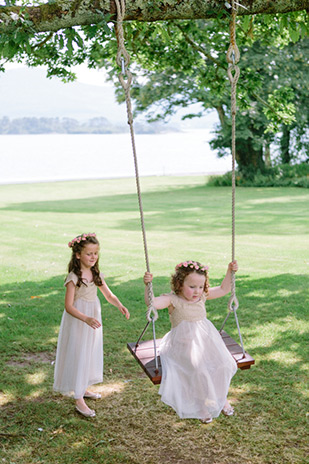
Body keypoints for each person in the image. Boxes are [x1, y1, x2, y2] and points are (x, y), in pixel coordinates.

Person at [143, 260, 238, 423]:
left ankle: (221, 398)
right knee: (199, 369)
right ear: (179, 284)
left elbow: (224, 289)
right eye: (192, 287)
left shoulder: (202, 297)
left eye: (200, 287)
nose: (197, 291)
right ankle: (200, 404)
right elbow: (152, 303)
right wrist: (147, 286)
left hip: (205, 341)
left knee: (223, 364)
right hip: (182, 345)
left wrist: (230, 271)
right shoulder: (172, 299)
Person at [53, 233, 130, 418]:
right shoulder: (74, 277)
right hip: (79, 319)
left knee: (89, 351)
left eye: (96, 253)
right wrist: (85, 318)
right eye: (89, 253)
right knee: (79, 352)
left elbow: (108, 295)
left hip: (93, 317)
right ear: (78, 255)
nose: (93, 257)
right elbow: (68, 306)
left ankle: (83, 387)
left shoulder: (96, 274)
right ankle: (78, 398)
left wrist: (119, 304)